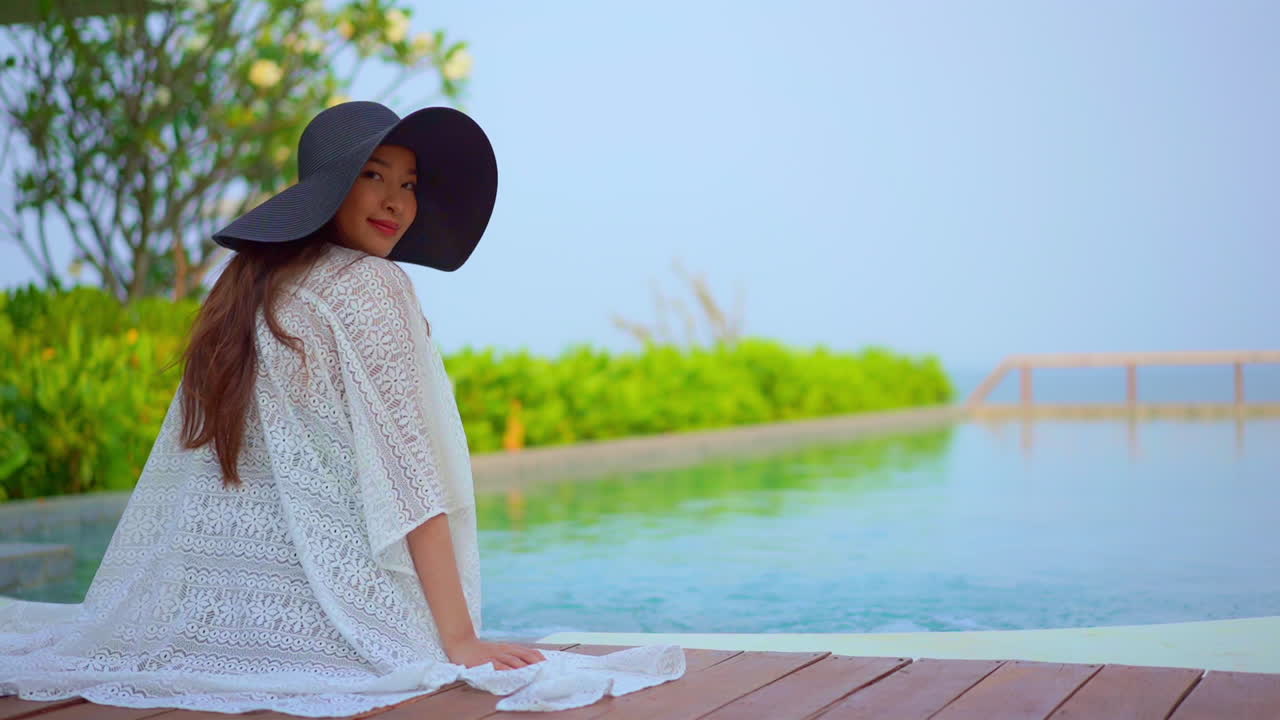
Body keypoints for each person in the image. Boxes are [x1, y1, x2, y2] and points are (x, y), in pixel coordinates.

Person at [0, 101, 684, 715]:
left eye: (408, 183)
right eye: (374, 175)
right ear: (329, 190)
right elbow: (410, 477)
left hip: (220, 620)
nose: (396, 201)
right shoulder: (371, 284)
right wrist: (459, 639)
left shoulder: (246, 292)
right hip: (341, 621)